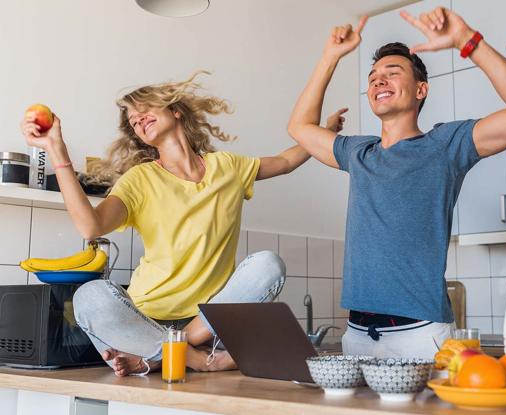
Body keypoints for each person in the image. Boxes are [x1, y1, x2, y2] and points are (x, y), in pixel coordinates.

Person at [21, 72, 347, 376]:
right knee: (89, 297)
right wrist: (56, 149)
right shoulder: (140, 179)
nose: (137, 118)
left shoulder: (227, 167)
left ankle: (160, 353)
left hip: (207, 321)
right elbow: (90, 228)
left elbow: (286, 161)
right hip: (145, 315)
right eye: (133, 120)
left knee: (268, 264)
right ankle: (195, 358)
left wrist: (321, 135)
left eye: (144, 108)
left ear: (176, 110)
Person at [288, 8, 506, 358]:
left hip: (421, 336)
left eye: (392, 73)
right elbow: (300, 128)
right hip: (358, 336)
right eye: (373, 76)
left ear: (420, 90)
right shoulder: (358, 152)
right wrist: (330, 57)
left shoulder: (444, 145)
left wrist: (468, 42)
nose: (378, 80)